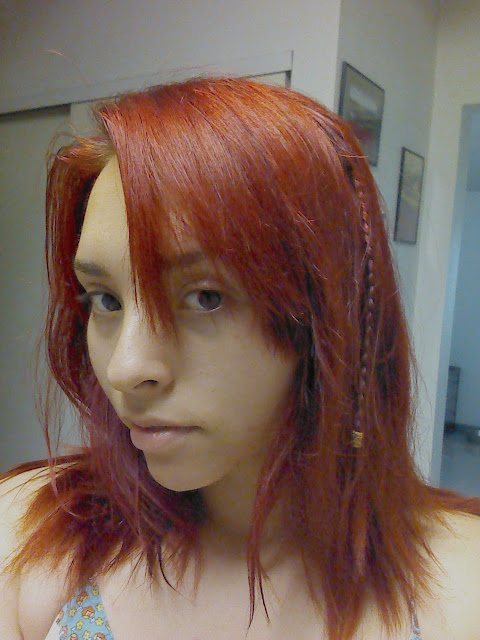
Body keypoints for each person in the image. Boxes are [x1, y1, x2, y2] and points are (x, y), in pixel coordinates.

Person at [1, 77, 479, 640]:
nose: (126, 369)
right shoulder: (30, 533)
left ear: (324, 317)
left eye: (206, 297)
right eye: (106, 300)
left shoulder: (458, 586)